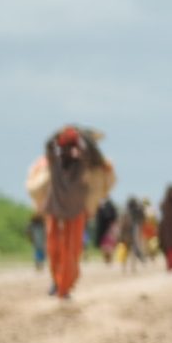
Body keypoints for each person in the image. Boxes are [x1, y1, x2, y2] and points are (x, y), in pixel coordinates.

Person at [40, 126, 101, 299]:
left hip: (73, 215)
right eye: (64, 148)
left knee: (70, 252)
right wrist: (63, 135)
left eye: (69, 147)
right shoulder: (57, 164)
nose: (66, 152)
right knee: (57, 251)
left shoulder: (80, 164)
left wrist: (77, 136)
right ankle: (58, 283)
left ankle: (63, 286)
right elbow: (48, 146)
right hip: (58, 214)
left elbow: (93, 155)